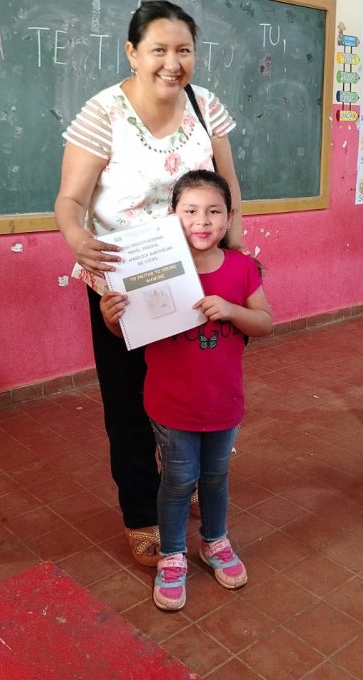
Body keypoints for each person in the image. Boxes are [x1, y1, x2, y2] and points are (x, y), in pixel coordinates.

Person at [54, 1, 244, 566]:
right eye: (158, 50)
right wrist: (75, 238)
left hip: (198, 281)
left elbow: (229, 189)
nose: (172, 62)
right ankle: (141, 512)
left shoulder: (205, 107)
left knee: (191, 394)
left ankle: (180, 491)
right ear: (133, 53)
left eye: (183, 49)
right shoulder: (103, 112)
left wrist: (237, 266)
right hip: (126, 283)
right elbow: (70, 200)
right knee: (131, 404)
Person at [100, 170, 272, 610]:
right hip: (171, 404)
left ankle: (214, 541)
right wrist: (110, 315)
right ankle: (172, 554)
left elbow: (265, 323)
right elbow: (126, 336)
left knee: (215, 477)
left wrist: (233, 310)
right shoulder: (152, 271)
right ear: (172, 217)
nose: (202, 221)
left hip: (223, 403)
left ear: (229, 217)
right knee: (178, 481)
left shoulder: (242, 268)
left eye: (214, 211)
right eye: (190, 211)